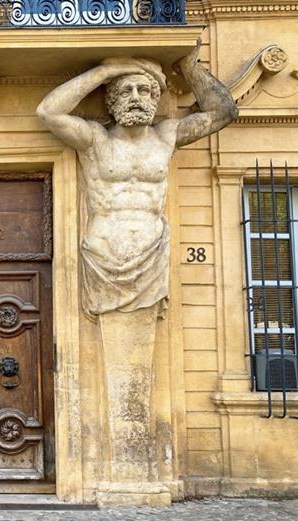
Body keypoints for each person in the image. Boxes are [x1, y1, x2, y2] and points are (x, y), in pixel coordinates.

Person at [37, 44, 237, 320]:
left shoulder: (167, 136)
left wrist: (189, 67)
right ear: (111, 100)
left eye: (144, 91)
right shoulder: (95, 140)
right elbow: (48, 112)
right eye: (125, 91)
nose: (135, 98)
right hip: (103, 252)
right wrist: (106, 71)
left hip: (151, 252)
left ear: (155, 99)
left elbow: (223, 113)